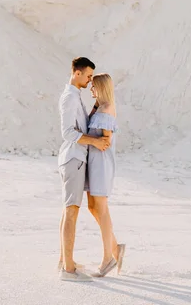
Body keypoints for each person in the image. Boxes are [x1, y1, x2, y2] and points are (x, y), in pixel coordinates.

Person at [58, 57, 110, 282]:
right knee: (72, 211)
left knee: (68, 210)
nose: (90, 81)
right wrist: (95, 142)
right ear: (77, 73)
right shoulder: (69, 97)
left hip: (75, 159)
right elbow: (68, 133)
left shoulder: (74, 96)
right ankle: (68, 270)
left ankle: (64, 261)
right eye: (88, 76)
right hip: (74, 158)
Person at [86, 73, 126, 277]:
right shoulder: (100, 108)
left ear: (101, 88)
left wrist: (86, 140)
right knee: (93, 207)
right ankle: (116, 249)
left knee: (101, 209)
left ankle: (107, 258)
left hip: (101, 166)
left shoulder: (106, 110)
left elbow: (105, 141)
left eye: (93, 87)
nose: (90, 90)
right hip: (94, 165)